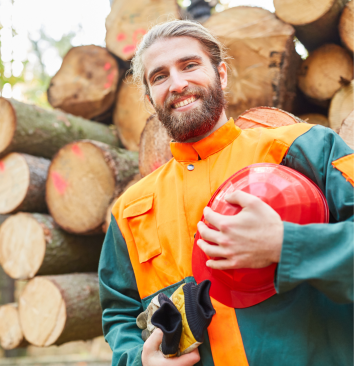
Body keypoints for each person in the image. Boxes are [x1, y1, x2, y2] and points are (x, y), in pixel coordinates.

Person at [99, 20, 353, 366]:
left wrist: (285, 244)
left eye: (190, 65)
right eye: (160, 77)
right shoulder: (128, 211)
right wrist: (139, 361)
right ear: (149, 99)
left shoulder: (306, 147)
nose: (178, 83)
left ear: (222, 74)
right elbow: (120, 314)